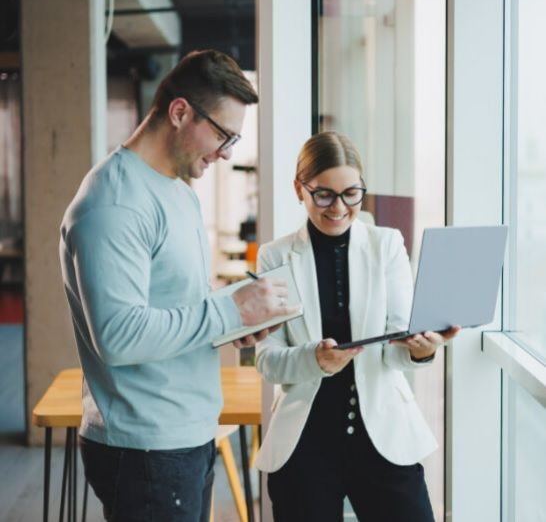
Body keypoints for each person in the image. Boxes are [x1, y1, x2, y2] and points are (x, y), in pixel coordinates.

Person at [59, 49, 293, 522]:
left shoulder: (178, 190)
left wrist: (234, 322)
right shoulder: (115, 203)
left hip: (185, 434)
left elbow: (176, 305)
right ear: (180, 111)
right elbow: (120, 336)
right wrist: (229, 312)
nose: (227, 152)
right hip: (146, 447)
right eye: (224, 135)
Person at [254, 131, 460, 522]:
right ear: (300, 189)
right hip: (305, 441)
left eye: (352, 193)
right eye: (324, 195)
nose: (339, 207)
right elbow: (267, 360)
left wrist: (423, 348)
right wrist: (313, 359)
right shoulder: (275, 256)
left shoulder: (386, 245)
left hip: (383, 435)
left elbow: (400, 340)